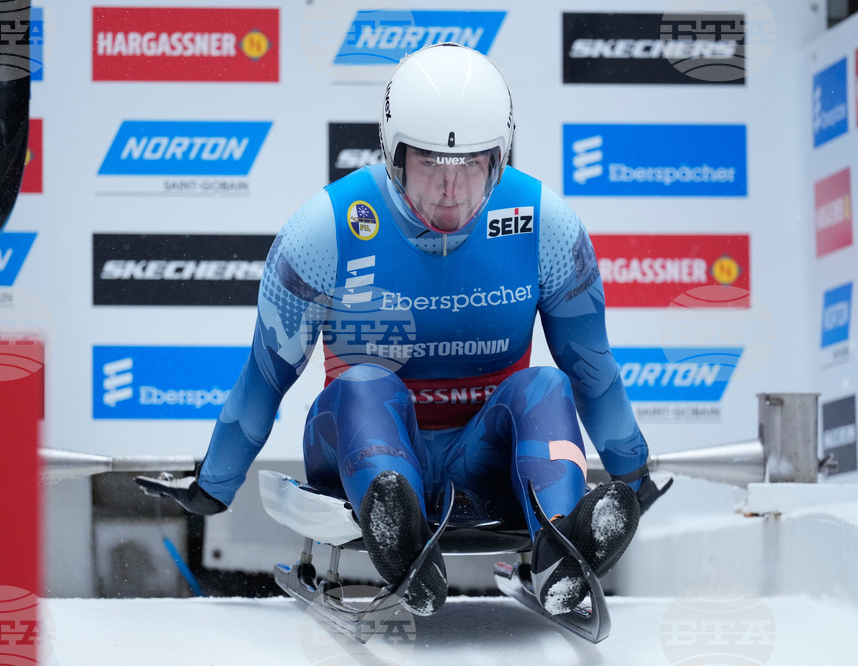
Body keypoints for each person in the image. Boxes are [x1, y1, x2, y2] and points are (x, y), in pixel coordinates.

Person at [137, 43, 670, 618]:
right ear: (394, 157)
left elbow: (591, 365)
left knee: (545, 385)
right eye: (430, 168)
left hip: (481, 456)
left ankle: (560, 552)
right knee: (367, 383)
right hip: (359, 447)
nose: (451, 192)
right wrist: (216, 482)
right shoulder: (324, 230)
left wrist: (630, 472)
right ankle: (401, 531)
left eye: (471, 166)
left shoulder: (546, 226)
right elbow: (267, 374)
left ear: (501, 157)